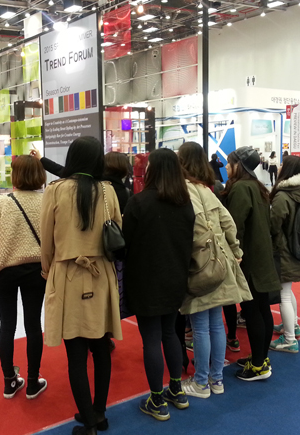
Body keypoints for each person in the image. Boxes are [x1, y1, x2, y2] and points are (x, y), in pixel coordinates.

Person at [40, 137, 122, 435]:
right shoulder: (108, 190)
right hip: (102, 275)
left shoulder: (55, 190)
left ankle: (88, 422)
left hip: (68, 274)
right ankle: (99, 413)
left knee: (76, 354)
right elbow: (118, 231)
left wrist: (47, 271)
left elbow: (46, 239)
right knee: (101, 347)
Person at [123, 148, 195, 420]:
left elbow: (125, 243)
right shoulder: (185, 203)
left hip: (145, 280)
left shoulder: (139, 202)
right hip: (175, 278)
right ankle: (176, 389)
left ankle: (156, 399)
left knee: (151, 339)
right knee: (170, 334)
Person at [177, 142, 252, 397]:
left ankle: (200, 382)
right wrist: (236, 251)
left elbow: (194, 227)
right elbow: (228, 223)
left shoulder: (185, 190)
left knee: (200, 325)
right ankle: (216, 379)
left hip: (201, 264)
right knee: (216, 324)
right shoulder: (207, 190)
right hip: (221, 262)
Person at [0, 155, 47, 400]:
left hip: (5, 272)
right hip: (36, 271)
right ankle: (33, 382)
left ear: (15, 175)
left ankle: (10, 382)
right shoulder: (46, 202)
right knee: (33, 325)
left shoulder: (1, 202)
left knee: (7, 324)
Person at [221, 146, 280, 381]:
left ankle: (258, 366)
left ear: (240, 165)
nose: (227, 166)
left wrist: (232, 255)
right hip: (261, 256)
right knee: (262, 309)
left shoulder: (240, 188)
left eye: (230, 162)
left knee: (252, 310)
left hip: (249, 259)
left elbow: (234, 227)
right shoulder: (257, 186)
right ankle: (261, 357)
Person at [268, 156, 300, 353]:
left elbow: (274, 224)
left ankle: (289, 340)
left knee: (283, 294)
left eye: (282, 165)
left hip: (284, 250)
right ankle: (292, 326)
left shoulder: (283, 195)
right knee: (288, 290)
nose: (279, 167)